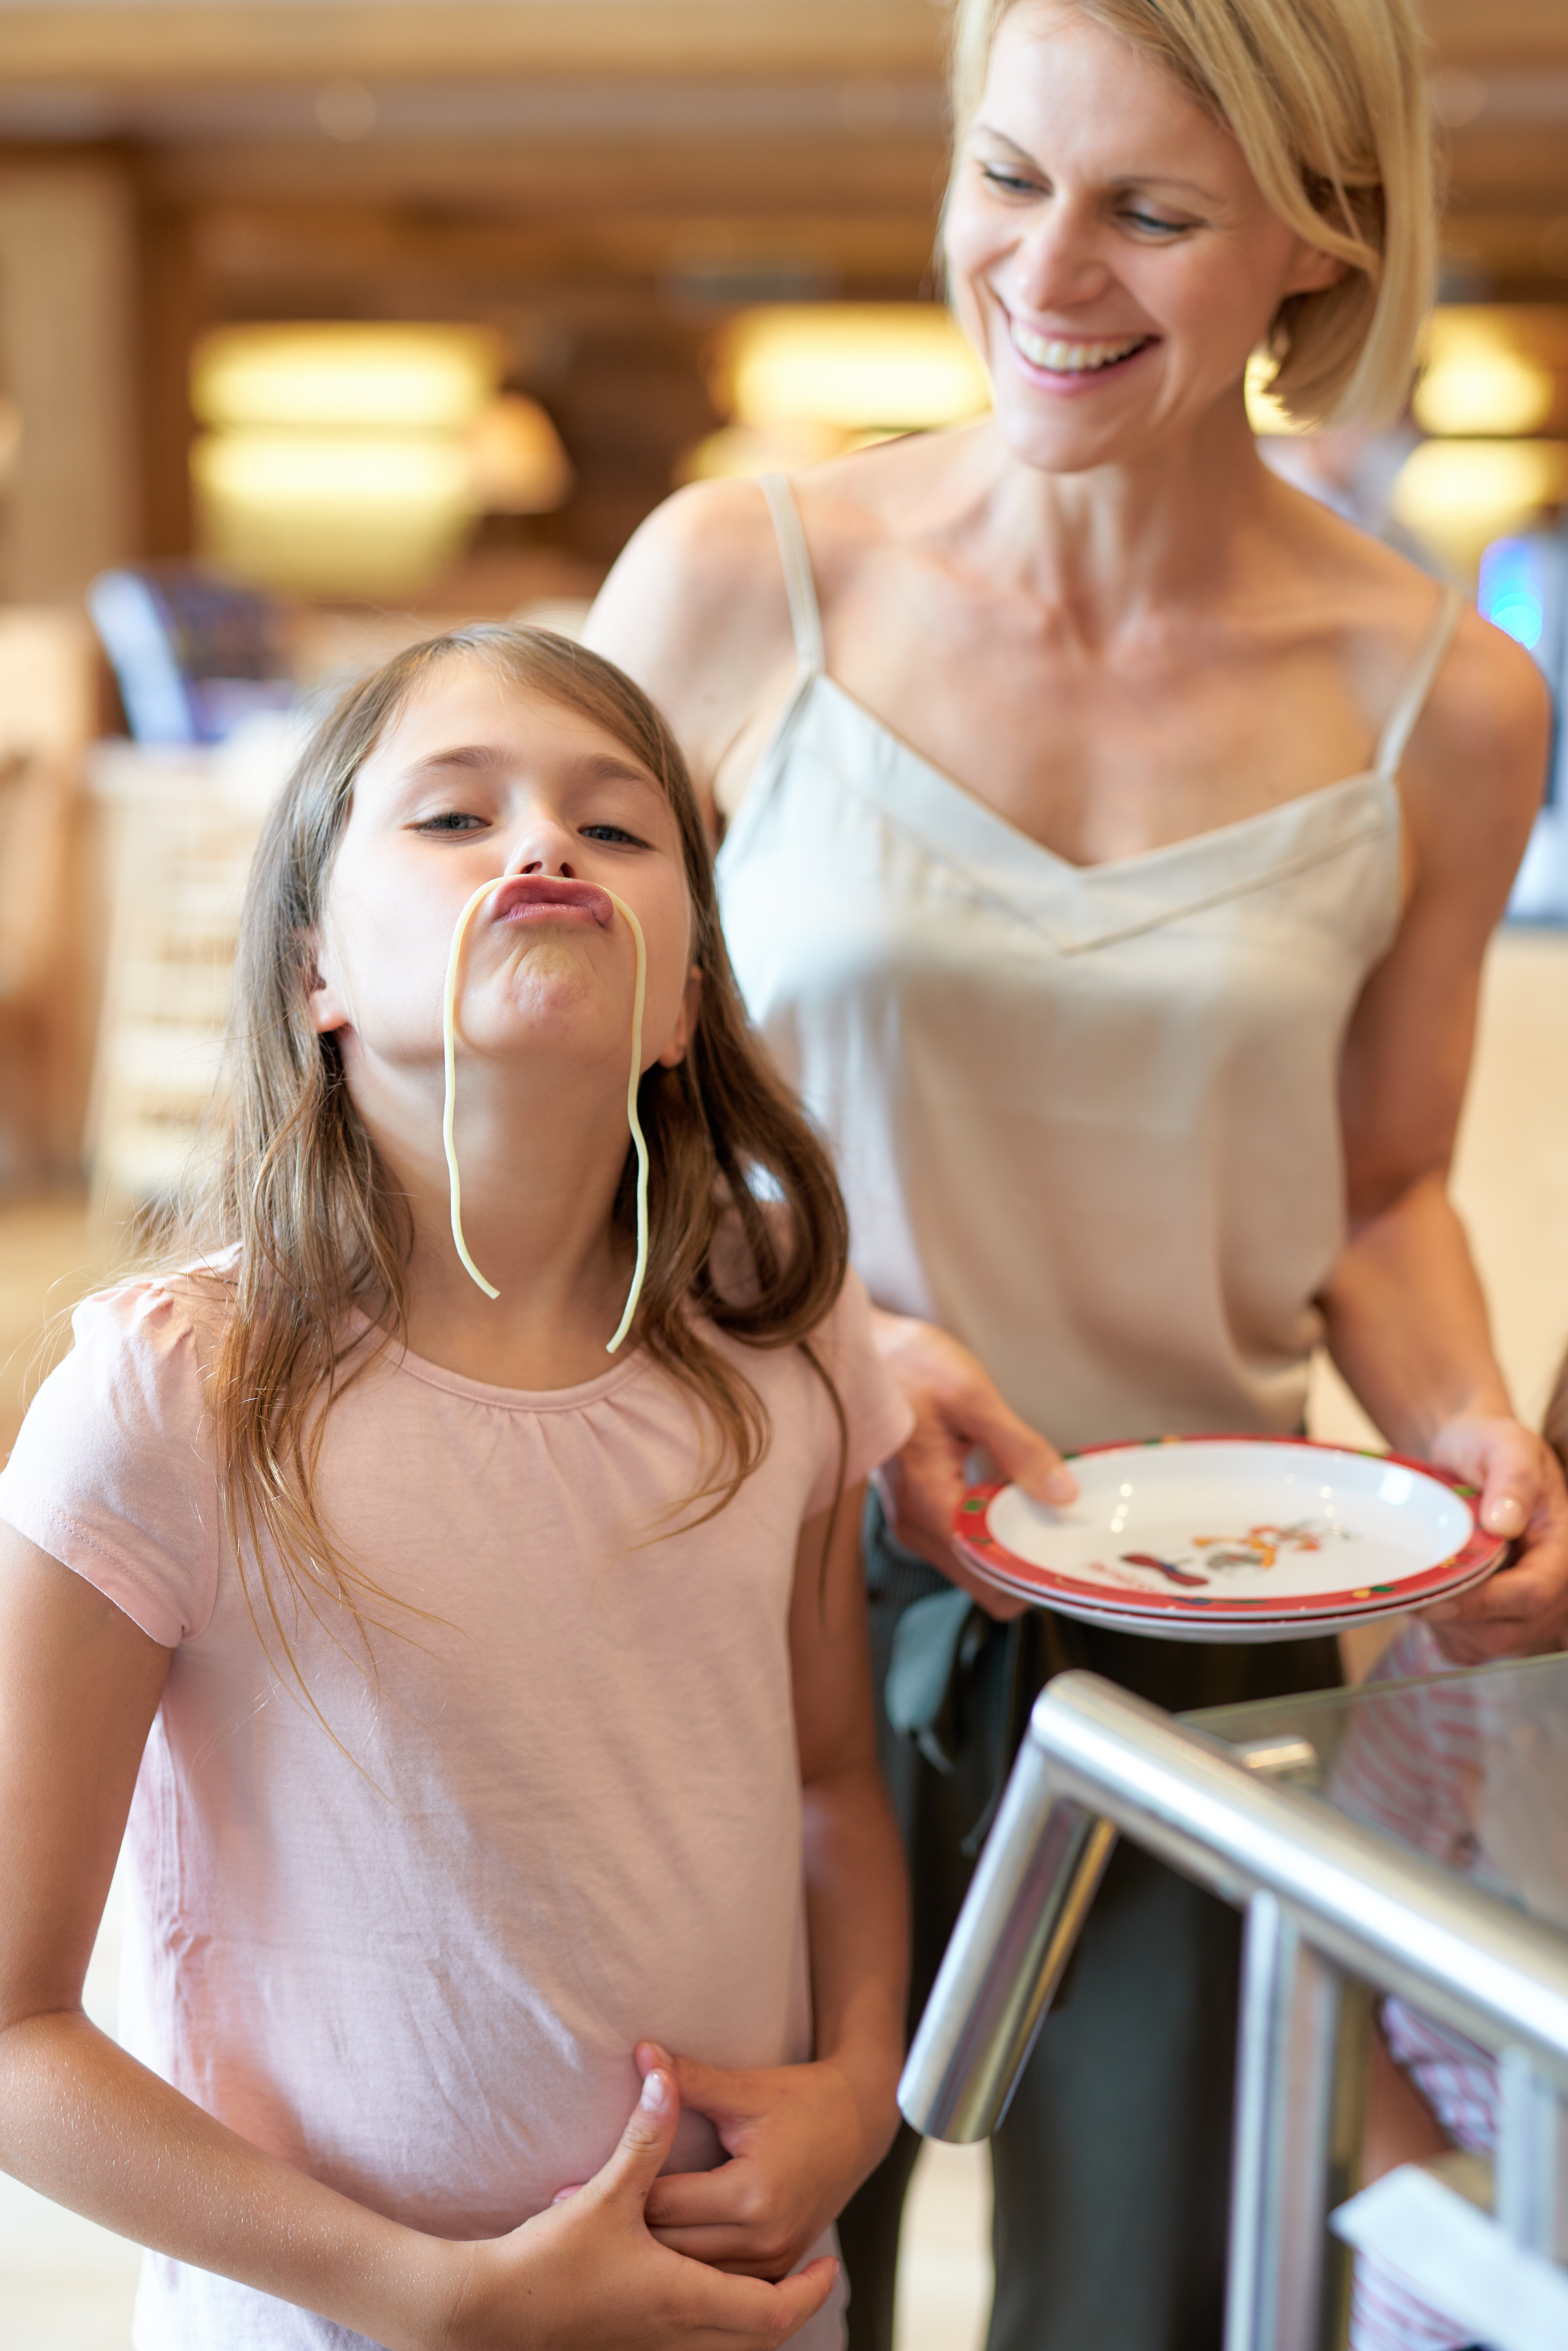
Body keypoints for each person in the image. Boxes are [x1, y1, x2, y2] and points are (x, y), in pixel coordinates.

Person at [585, 0, 1568, 2340]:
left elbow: (1375, 1189)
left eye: (1150, 211)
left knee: (1149, 2296)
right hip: (734, 1556)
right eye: (1007, 178)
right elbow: (535, 1104)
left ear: (1313, 247)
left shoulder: (1446, 704)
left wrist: (1469, 1432)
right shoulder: (739, 582)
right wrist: (843, 1338)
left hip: (1204, 1609)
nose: (1044, 272)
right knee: (723, 2277)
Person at [0, 626, 914, 2350]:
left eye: (616, 826)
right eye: (452, 816)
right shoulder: (168, 1399)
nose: (544, 846)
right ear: (314, 972)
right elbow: (13, 2034)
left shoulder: (779, 1324)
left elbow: (829, 1781)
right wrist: (428, 2298)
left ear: (684, 1000)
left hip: (738, 2312)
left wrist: (859, 2089)